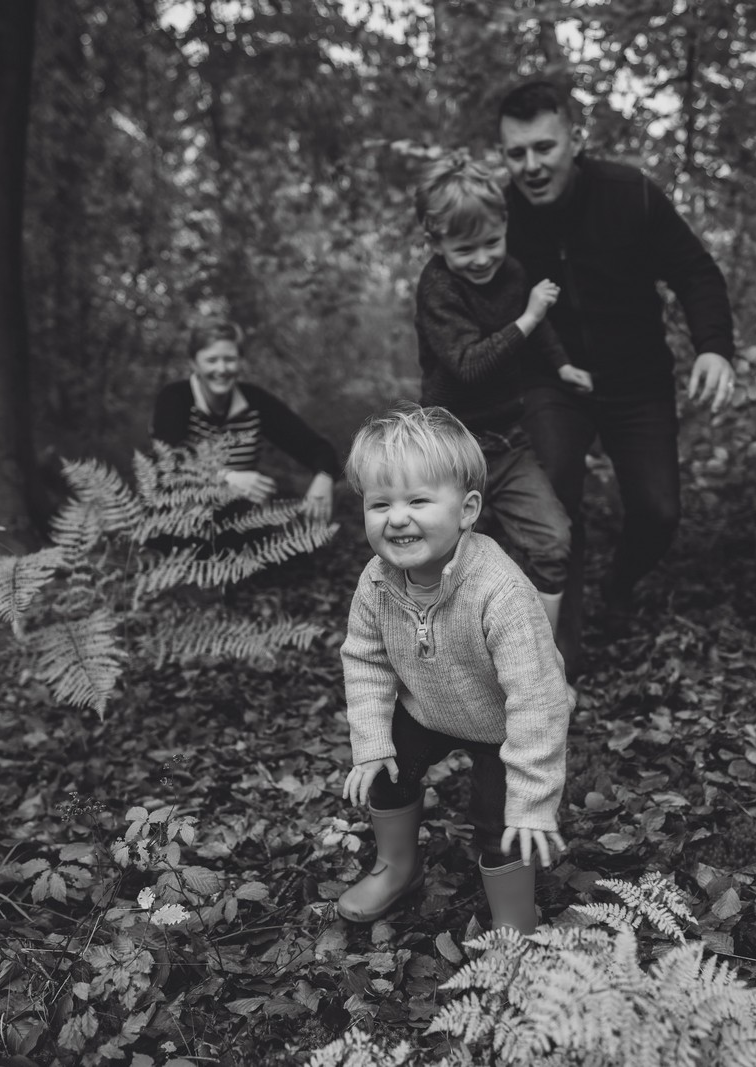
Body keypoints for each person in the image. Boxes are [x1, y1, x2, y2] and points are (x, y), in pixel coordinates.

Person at [497, 78, 737, 678]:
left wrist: (714, 348)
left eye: (544, 147)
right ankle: (561, 649)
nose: (531, 165)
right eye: (516, 152)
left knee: (659, 513)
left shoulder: (630, 194)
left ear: (574, 140)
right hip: (553, 382)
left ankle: (621, 585)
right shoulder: (501, 217)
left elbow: (696, 272)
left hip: (638, 382)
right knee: (556, 497)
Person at [337, 403, 571, 934]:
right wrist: (371, 742)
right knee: (388, 770)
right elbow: (365, 659)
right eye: (380, 503)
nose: (397, 517)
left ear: (466, 510)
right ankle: (397, 867)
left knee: (499, 822)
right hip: (426, 708)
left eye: (419, 500)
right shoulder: (376, 582)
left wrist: (532, 804)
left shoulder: (500, 591)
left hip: (503, 723)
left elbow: (539, 700)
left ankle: (515, 921)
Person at [412, 154, 586, 637]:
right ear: (436, 242)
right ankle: (439, 661)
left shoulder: (509, 270)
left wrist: (563, 365)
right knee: (446, 559)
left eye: (492, 242)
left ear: (504, 226)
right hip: (451, 451)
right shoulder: (438, 289)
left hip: (509, 442)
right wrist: (527, 319)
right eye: (466, 248)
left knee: (553, 541)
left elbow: (538, 323)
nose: (484, 258)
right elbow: (468, 365)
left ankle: (541, 661)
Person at [151, 316, 340, 522]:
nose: (222, 369)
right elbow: (166, 465)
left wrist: (324, 477)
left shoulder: (255, 402)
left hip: (239, 520)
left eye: (230, 359)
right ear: (194, 364)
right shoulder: (175, 398)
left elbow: (318, 449)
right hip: (180, 520)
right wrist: (227, 479)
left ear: (240, 361)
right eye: (212, 360)